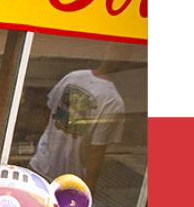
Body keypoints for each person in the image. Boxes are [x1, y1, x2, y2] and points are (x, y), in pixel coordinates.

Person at [28, 62, 125, 193]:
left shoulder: (76, 78)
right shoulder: (112, 100)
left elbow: (48, 112)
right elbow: (96, 151)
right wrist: (89, 189)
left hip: (51, 172)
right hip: (58, 176)